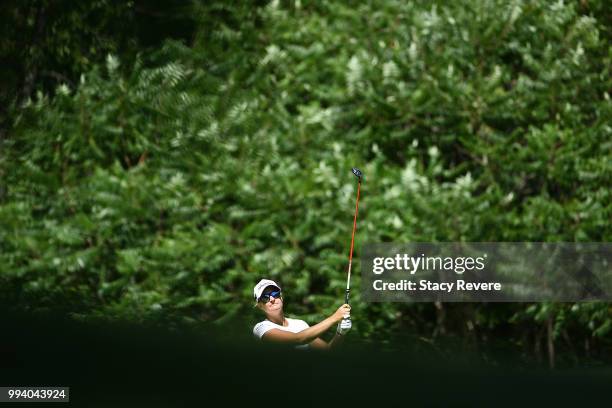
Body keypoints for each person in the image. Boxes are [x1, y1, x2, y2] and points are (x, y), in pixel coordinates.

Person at [252, 279, 352, 349]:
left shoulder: (300, 324)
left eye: (275, 294)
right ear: (260, 305)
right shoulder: (261, 328)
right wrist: (335, 317)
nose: (272, 299)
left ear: (281, 297)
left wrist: (340, 333)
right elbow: (299, 339)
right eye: (265, 298)